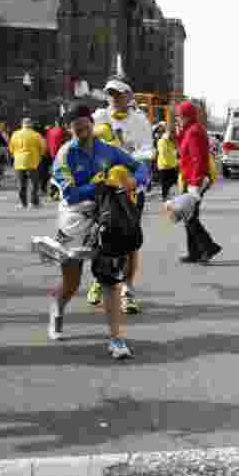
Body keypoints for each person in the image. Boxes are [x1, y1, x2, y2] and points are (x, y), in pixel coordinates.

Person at [48, 102, 140, 359]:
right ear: (69, 129)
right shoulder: (65, 154)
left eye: (84, 124)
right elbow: (70, 194)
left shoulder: (108, 150)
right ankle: (58, 307)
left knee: (109, 281)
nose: (81, 129)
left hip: (104, 219)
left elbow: (139, 167)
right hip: (73, 220)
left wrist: (133, 180)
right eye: (75, 126)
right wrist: (98, 185)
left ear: (91, 123)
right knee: (71, 283)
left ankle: (116, 339)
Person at [93, 78, 154, 315]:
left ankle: (127, 290)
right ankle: (100, 281)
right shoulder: (99, 117)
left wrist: (136, 173)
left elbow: (148, 151)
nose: (114, 98)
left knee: (129, 241)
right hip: (103, 187)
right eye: (110, 94)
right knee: (99, 236)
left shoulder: (140, 121)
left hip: (129, 189)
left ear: (129, 96)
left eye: (118, 94)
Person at [175, 100, 221, 264]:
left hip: (195, 179)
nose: (177, 119)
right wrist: (179, 132)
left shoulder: (194, 132)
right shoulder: (190, 130)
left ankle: (208, 248)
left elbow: (198, 159)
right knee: (189, 216)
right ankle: (195, 252)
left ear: (187, 116)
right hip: (192, 178)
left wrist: (195, 183)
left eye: (179, 116)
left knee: (190, 216)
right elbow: (182, 148)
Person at [10, 117, 47, 209]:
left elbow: (11, 148)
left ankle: (23, 203)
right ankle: (34, 203)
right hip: (32, 161)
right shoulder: (36, 135)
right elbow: (42, 148)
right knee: (34, 183)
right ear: (31, 124)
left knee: (21, 184)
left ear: (22, 124)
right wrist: (40, 155)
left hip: (18, 161)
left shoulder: (15, 134)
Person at [156, 123, 180, 201]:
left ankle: (166, 196)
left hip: (172, 165)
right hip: (164, 166)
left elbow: (175, 152)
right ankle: (164, 196)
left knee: (171, 181)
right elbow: (163, 154)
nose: (174, 135)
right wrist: (173, 163)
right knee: (165, 183)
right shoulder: (162, 141)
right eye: (173, 133)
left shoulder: (172, 142)